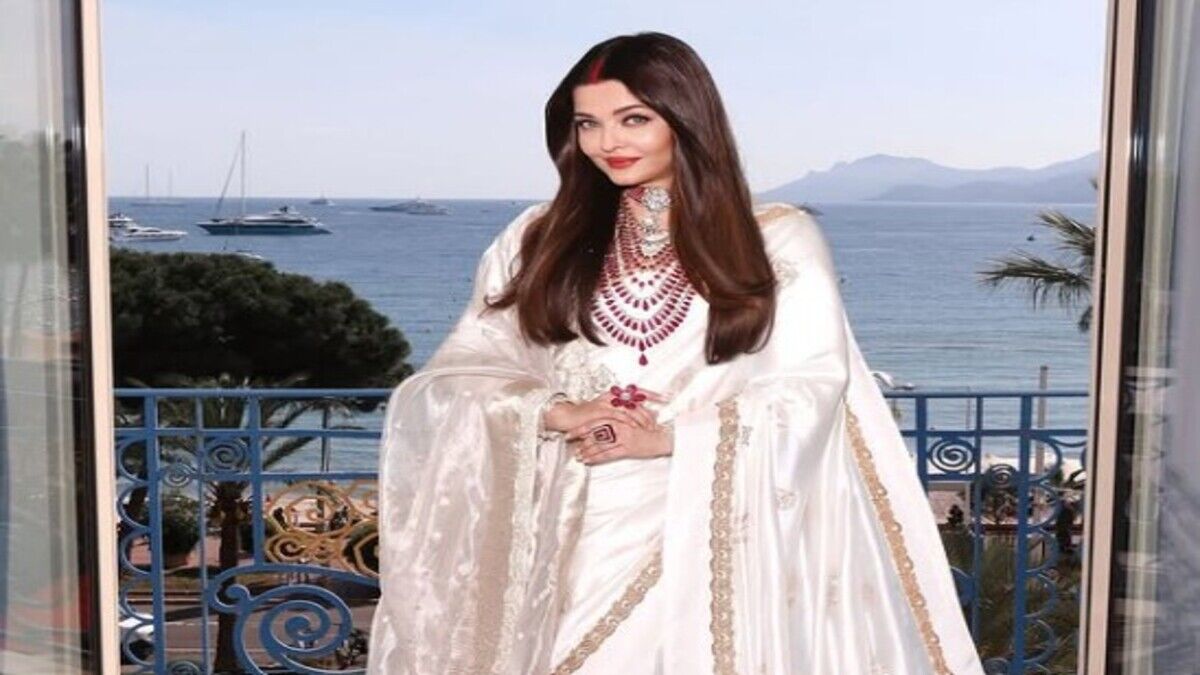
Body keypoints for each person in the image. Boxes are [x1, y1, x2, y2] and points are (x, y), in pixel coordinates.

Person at [367, 31, 984, 675]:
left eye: (634, 119)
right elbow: (460, 370)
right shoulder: (537, 236)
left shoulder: (775, 239)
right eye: (587, 123)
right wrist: (557, 411)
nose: (608, 142)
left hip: (705, 516)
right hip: (563, 525)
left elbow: (809, 386)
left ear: (685, 120)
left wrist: (670, 438)